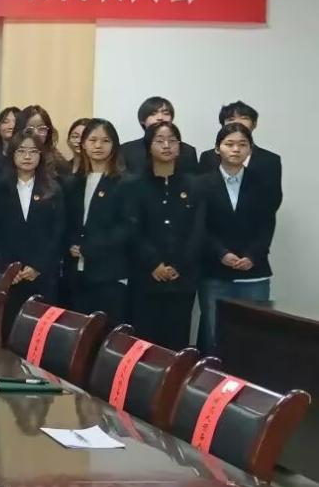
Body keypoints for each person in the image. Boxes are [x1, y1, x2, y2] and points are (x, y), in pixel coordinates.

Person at [197, 122, 279, 353]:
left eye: (242, 144)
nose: (236, 149)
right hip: (214, 270)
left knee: (254, 338)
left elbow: (267, 225)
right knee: (214, 336)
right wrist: (221, 253)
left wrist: (253, 255)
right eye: (229, 144)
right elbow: (199, 227)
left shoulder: (263, 183)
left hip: (254, 272)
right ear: (217, 148)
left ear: (250, 149)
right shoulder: (201, 184)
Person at [126, 121, 205, 351]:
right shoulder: (134, 185)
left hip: (183, 278)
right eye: (159, 141)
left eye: (172, 141)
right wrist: (153, 263)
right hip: (145, 276)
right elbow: (132, 229)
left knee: (177, 342)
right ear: (149, 146)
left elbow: (198, 230)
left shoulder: (194, 185)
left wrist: (179, 264)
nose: (167, 145)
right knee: (145, 344)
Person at [0, 129, 65, 332]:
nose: (27, 156)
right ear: (12, 154)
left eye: (33, 151)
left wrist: (38, 266)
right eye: (21, 151)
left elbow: (57, 233)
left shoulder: (53, 189)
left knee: (38, 332)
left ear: (41, 155)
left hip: (41, 274)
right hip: (7, 274)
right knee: (6, 330)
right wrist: (8, 268)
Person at [65, 119, 131, 325]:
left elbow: (127, 227)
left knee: (107, 332)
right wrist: (71, 243)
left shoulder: (125, 183)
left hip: (110, 273)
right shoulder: (74, 182)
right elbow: (67, 221)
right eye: (93, 140)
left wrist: (90, 248)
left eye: (105, 141)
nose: (98, 145)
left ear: (114, 145)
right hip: (76, 272)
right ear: (83, 144)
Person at [197, 101, 282, 200]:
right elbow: (201, 193)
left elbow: (274, 197)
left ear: (254, 124)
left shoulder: (270, 160)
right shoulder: (208, 157)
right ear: (223, 125)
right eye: (231, 119)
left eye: (244, 118)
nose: (237, 122)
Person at [122, 96, 198, 176]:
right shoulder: (126, 151)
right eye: (153, 114)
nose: (160, 118)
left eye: (166, 113)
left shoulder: (188, 151)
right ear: (142, 120)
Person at [19, 104, 71, 177]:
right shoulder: (11, 160)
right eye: (29, 130)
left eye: (41, 129)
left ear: (48, 132)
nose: (36, 134)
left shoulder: (58, 164)